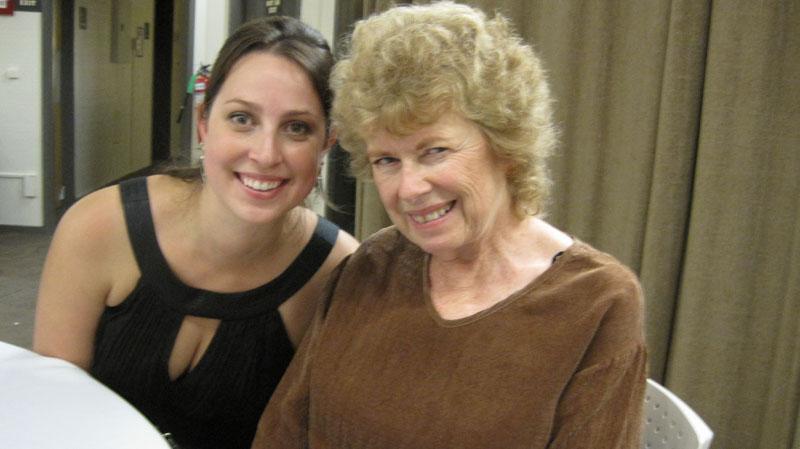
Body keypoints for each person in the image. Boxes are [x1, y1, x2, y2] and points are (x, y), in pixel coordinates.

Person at [252, 3, 647, 448]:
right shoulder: (373, 265)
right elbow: (282, 432)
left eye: (435, 151)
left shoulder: (595, 301)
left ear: (504, 144)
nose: (409, 188)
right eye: (387, 160)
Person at [33, 15, 358, 449]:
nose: (265, 154)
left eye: (297, 128)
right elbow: (52, 407)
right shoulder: (99, 228)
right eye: (242, 118)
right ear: (204, 123)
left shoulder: (335, 273)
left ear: (327, 143)